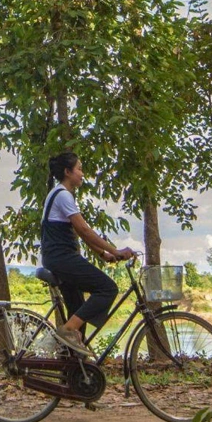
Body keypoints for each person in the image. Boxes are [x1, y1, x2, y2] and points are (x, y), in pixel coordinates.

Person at [41, 151, 137, 355]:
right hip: (62, 259)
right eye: (80, 169)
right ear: (68, 172)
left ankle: (73, 376)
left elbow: (78, 232)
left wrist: (104, 255)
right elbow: (84, 229)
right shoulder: (63, 195)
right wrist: (115, 250)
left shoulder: (58, 193)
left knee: (78, 315)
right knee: (107, 288)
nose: (82, 174)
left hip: (58, 259)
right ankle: (67, 330)